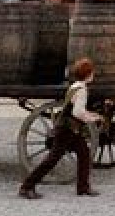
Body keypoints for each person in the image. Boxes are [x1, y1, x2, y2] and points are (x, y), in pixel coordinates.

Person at [19, 57, 103, 198]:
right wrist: (93, 118)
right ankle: (27, 187)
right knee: (52, 160)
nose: (93, 74)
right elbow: (77, 113)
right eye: (92, 72)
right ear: (88, 74)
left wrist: (90, 115)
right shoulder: (82, 90)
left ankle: (83, 187)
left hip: (70, 128)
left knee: (84, 154)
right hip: (67, 129)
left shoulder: (74, 86)